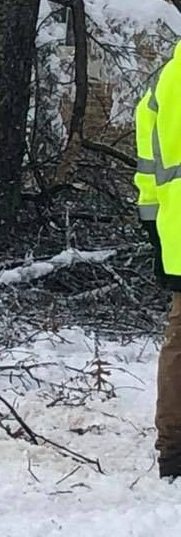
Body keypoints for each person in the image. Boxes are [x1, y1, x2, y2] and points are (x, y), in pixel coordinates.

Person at [135, 42, 181, 479]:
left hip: (177, 229)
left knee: (180, 341)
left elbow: (148, 156)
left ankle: (173, 450)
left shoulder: (167, 77)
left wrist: (151, 219)